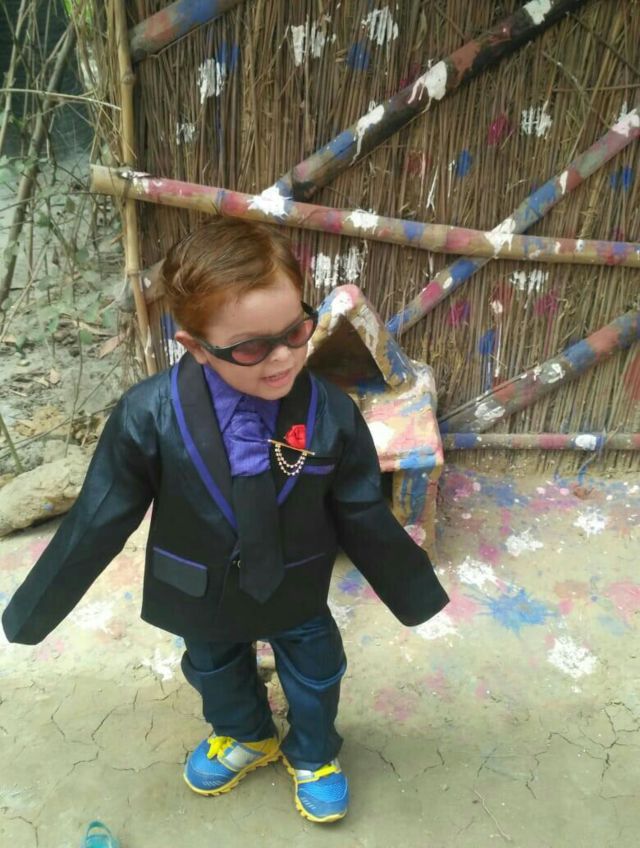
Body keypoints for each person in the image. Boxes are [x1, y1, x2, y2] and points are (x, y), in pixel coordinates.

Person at [2, 218, 449, 824]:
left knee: (317, 669)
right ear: (194, 345)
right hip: (199, 585)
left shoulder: (331, 414)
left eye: (295, 331)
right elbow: (100, 514)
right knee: (212, 665)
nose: (282, 357)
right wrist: (34, 610)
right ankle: (245, 732)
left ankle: (314, 751)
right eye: (250, 348)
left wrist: (414, 591)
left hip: (293, 579)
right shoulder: (147, 415)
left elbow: (361, 510)